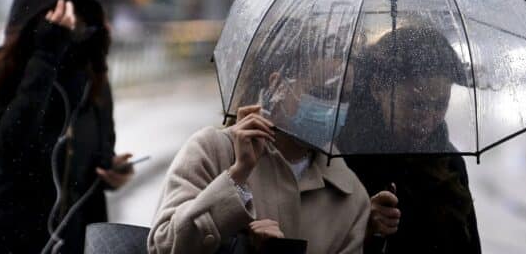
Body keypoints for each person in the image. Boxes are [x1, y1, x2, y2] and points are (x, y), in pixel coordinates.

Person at [0, 0, 133, 254]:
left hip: (71, 240)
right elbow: (7, 154)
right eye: (62, 23)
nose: (73, 34)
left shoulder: (93, 80)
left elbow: (95, 160)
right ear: (32, 20)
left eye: (82, 25)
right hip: (3, 240)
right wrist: (45, 56)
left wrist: (113, 172)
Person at [148, 33, 370, 253]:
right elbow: (162, 246)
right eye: (322, 92)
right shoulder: (213, 151)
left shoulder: (351, 196)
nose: (332, 108)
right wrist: (236, 177)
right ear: (278, 86)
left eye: (343, 97)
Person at [340, 26, 481, 253]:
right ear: (378, 88)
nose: (427, 119)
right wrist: (364, 229)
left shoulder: (450, 162)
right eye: (415, 105)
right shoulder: (344, 159)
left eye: (440, 105)